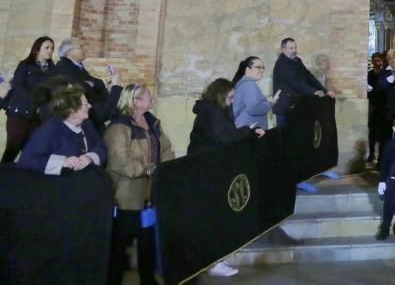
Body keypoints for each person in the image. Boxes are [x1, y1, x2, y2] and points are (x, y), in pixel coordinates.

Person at [188, 78, 264, 278]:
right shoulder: (212, 112)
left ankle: (213, 259)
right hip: (206, 169)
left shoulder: (214, 110)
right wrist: (249, 131)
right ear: (221, 95)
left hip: (210, 168)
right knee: (211, 217)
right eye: (230, 97)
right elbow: (227, 137)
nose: (232, 101)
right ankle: (211, 261)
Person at [105, 84, 175, 285]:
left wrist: (165, 168)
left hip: (150, 192)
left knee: (147, 240)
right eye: (148, 97)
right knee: (120, 243)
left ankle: (148, 279)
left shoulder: (152, 122)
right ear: (135, 101)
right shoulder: (119, 126)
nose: (152, 100)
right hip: (126, 194)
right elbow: (120, 161)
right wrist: (149, 169)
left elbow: (166, 148)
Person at [16, 83, 106, 174]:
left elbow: (101, 148)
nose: (90, 106)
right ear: (72, 109)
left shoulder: (87, 125)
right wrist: (63, 162)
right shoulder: (49, 130)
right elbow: (25, 161)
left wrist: (89, 158)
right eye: (86, 104)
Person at [3, 36, 56, 163]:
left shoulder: (54, 70)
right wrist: (37, 100)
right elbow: (18, 86)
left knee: (32, 150)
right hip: (20, 113)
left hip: (38, 117)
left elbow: (52, 92)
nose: (50, 51)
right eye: (47, 47)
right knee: (12, 148)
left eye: (52, 48)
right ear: (37, 49)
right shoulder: (25, 65)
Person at [53, 38, 122, 130]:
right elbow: (84, 89)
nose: (84, 49)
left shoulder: (78, 67)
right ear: (70, 52)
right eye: (80, 47)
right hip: (87, 117)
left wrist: (94, 84)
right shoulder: (64, 68)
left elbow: (96, 83)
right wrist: (113, 86)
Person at [272, 37, 334, 127]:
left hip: (295, 106)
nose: (294, 50)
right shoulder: (282, 64)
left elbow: (308, 77)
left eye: (295, 48)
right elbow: (296, 83)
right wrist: (314, 92)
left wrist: (325, 90)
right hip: (285, 108)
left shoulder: (297, 61)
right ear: (283, 49)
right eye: (291, 48)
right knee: (284, 137)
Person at [232, 56, 281, 129]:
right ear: (248, 69)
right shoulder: (249, 85)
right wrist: (271, 103)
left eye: (263, 68)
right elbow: (254, 108)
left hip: (246, 128)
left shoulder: (244, 84)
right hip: (251, 130)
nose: (262, 70)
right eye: (258, 67)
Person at [367, 52, 395, 163]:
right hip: (380, 107)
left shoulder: (391, 72)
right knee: (380, 134)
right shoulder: (385, 73)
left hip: (390, 108)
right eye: (389, 58)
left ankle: (385, 159)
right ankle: (378, 157)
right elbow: (380, 87)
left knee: (386, 135)